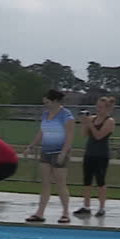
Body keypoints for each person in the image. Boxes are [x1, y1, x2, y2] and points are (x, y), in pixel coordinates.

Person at [23, 89, 75, 224]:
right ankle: (40, 213)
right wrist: (31, 146)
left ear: (55, 101)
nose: (45, 104)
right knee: (45, 183)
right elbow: (41, 132)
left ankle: (65, 213)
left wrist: (63, 153)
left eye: (47, 102)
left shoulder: (66, 115)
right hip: (46, 151)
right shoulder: (46, 114)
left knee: (60, 184)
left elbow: (70, 136)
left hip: (59, 152)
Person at [74, 96, 116, 218]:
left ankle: (101, 208)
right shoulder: (93, 119)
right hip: (89, 153)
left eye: (101, 107)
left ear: (107, 108)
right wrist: (84, 123)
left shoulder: (109, 121)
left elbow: (99, 136)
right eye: (97, 106)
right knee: (87, 180)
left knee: (100, 181)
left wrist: (90, 124)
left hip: (101, 154)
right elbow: (84, 134)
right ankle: (86, 206)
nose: (98, 109)